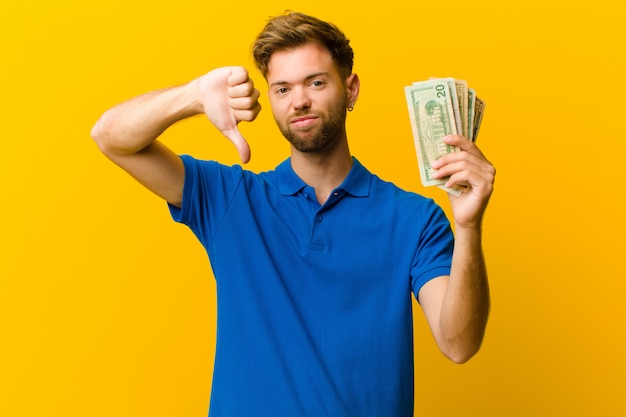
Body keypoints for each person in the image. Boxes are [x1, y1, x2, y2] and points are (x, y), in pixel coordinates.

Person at [91, 11, 495, 417]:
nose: (299, 100)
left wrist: (468, 225)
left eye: (316, 82)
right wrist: (193, 96)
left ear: (351, 89)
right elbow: (111, 137)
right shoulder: (231, 198)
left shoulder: (414, 219)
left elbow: (458, 343)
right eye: (282, 89)